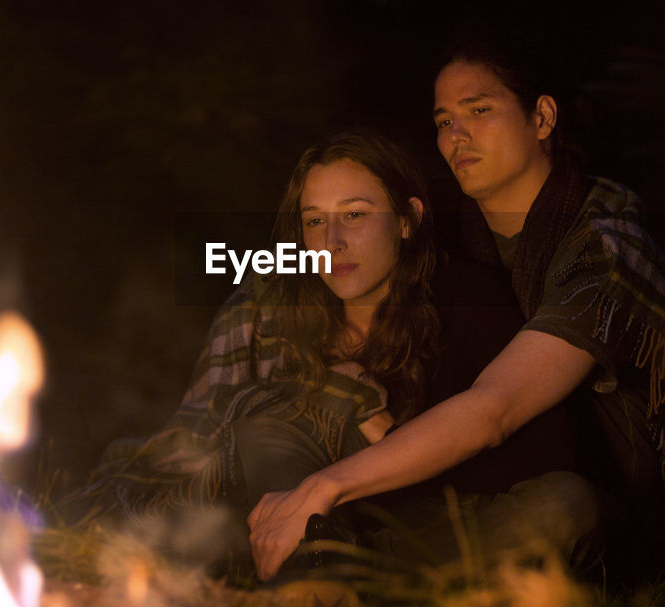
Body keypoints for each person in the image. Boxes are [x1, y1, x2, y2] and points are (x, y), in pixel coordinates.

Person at [248, 39, 665, 581]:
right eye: (444, 120)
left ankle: (343, 571)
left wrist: (324, 487)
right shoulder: (441, 218)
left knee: (563, 512)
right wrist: (346, 371)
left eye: (479, 110)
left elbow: (495, 408)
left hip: (591, 478)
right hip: (455, 475)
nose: (457, 136)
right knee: (273, 422)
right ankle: (322, 557)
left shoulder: (608, 243)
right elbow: (335, 276)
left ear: (542, 117)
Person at [67, 132, 518, 573]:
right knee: (263, 430)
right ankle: (317, 577)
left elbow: (481, 454)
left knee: (560, 507)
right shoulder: (265, 306)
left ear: (407, 220)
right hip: (268, 523)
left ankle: (356, 574)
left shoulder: (458, 303)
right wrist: (341, 394)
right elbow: (207, 432)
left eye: (355, 215)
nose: (331, 241)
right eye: (315, 220)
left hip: (409, 525)